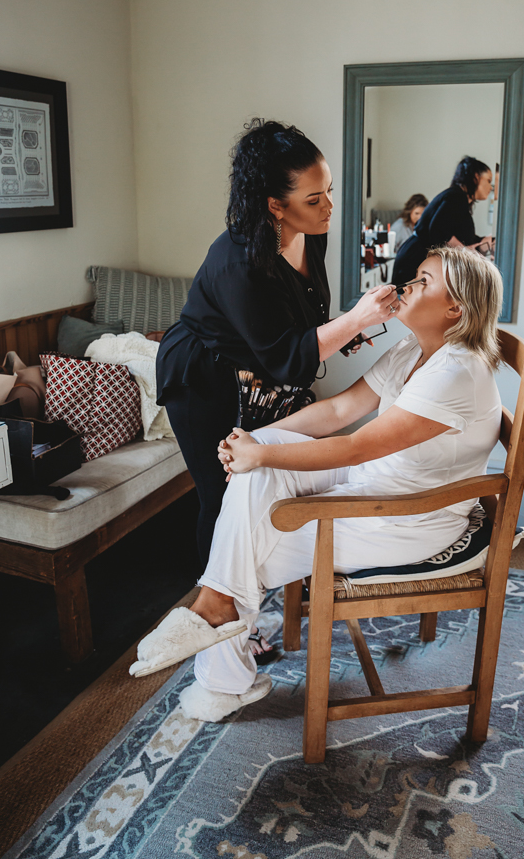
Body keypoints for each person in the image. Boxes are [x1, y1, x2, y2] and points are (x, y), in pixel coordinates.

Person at [132, 246, 503, 722]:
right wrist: (256, 441)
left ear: (456, 308)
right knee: (253, 484)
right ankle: (216, 611)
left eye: (424, 281)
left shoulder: (456, 372)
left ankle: (220, 661)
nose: (408, 285)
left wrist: (260, 452)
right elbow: (339, 411)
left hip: (410, 516)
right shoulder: (414, 347)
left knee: (249, 545)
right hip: (373, 484)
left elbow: (356, 446)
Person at [156, 119, 400, 660]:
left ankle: (257, 599)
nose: (329, 206)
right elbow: (290, 359)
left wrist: (340, 334)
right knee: (223, 497)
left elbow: (301, 323)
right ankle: (225, 633)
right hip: (205, 377)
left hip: (260, 372)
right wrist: (356, 320)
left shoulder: (308, 232)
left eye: (330, 190)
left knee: (267, 482)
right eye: (315, 198)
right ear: (274, 204)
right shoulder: (242, 261)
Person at [392, 156, 495, 286]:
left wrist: (485, 241)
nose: (490, 187)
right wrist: (466, 251)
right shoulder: (455, 196)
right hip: (415, 260)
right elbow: (438, 230)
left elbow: (459, 236)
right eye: (488, 180)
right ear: (475, 177)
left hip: (422, 261)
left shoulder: (459, 200)